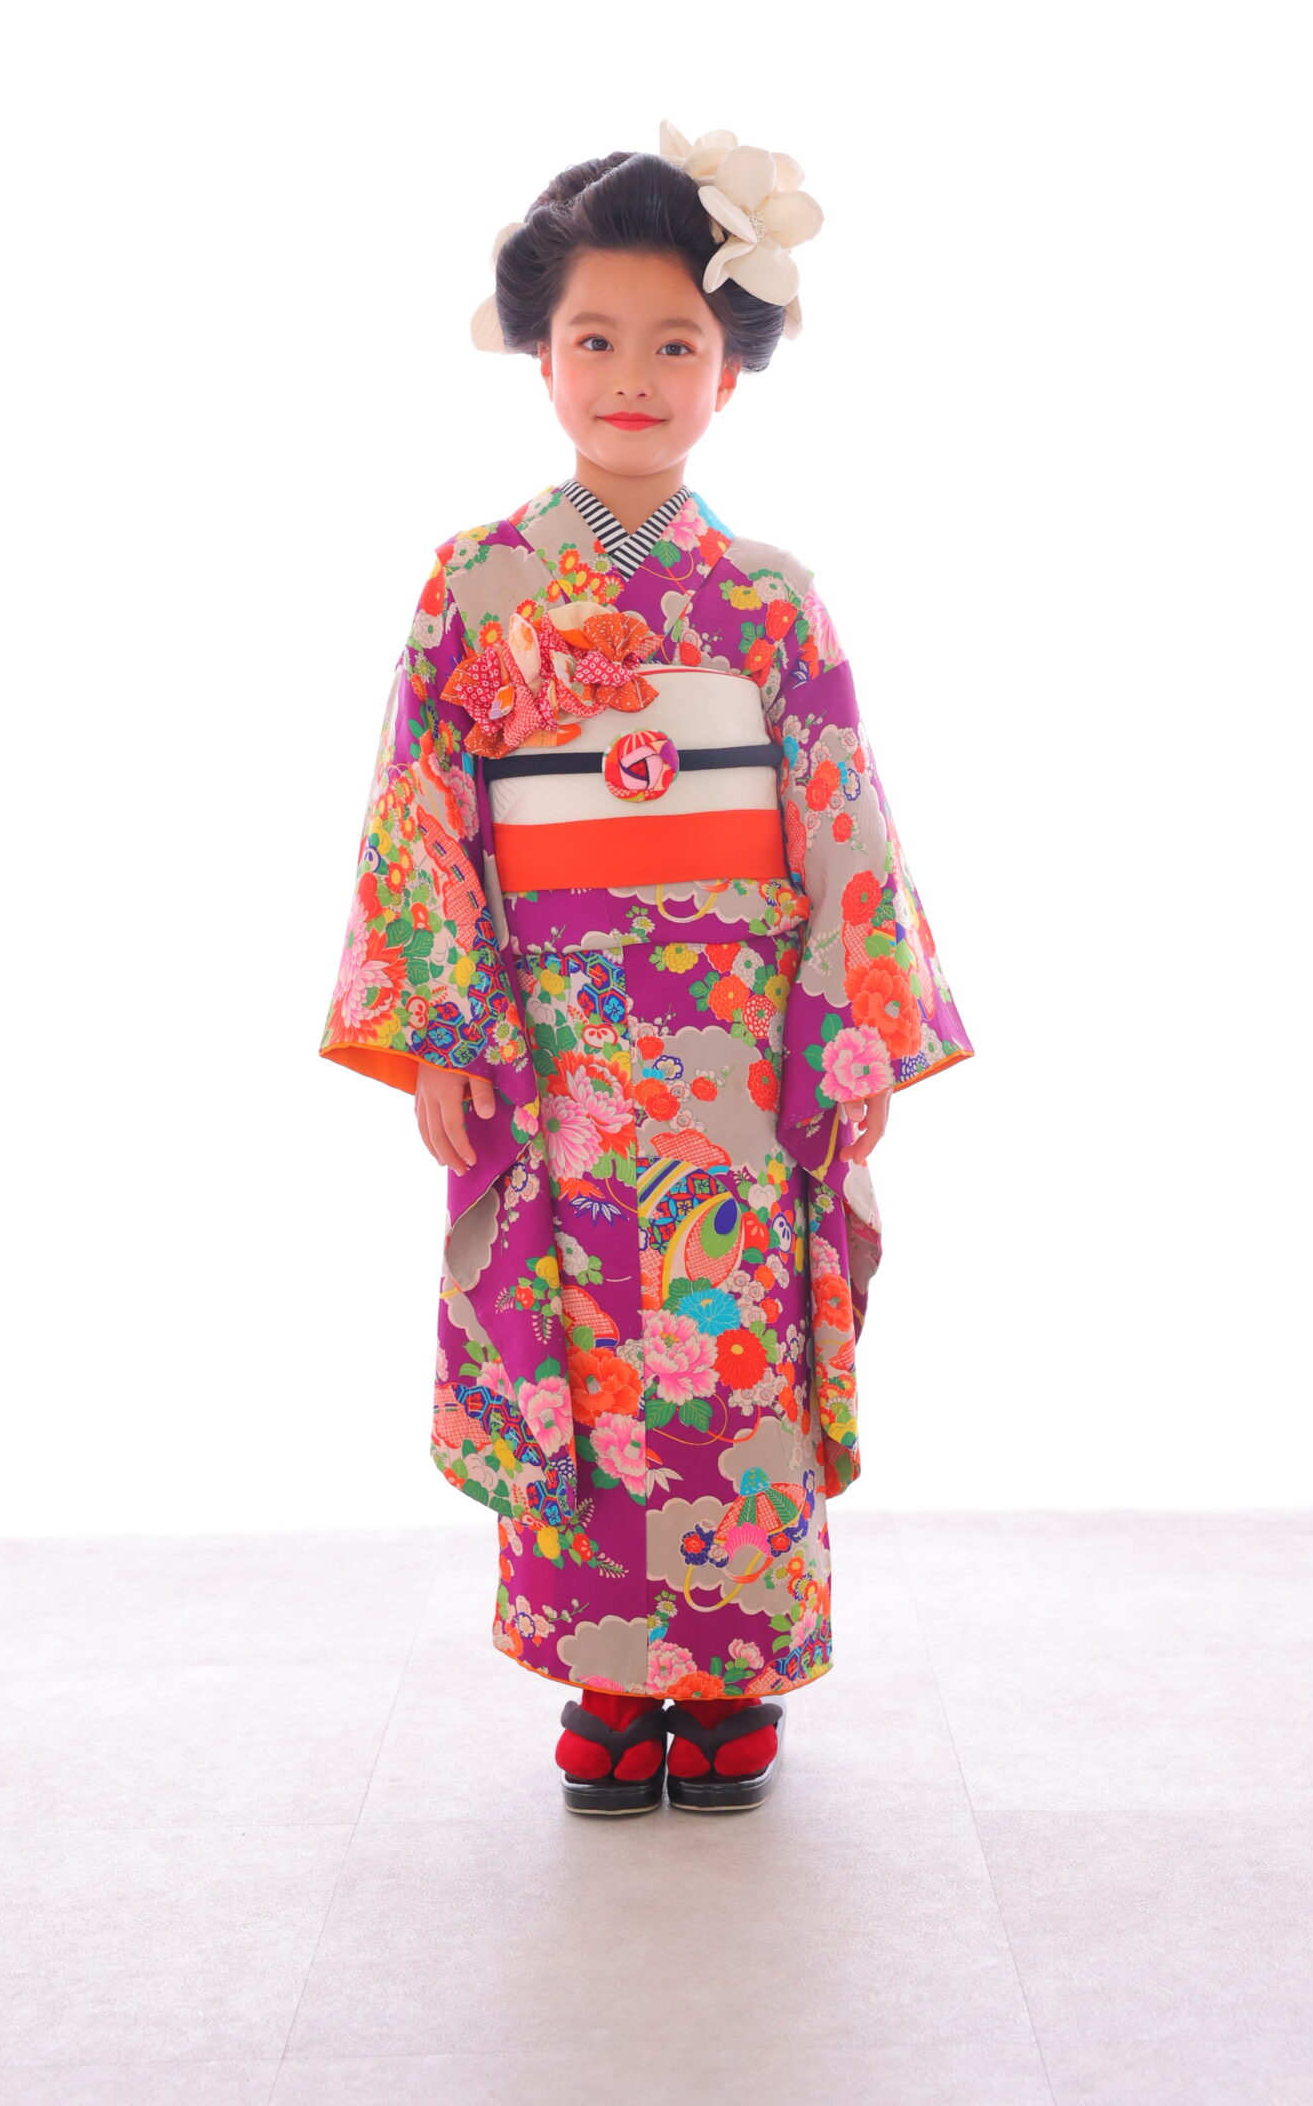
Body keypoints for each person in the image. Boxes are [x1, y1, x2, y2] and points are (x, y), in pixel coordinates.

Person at [320, 124, 974, 1815]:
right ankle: (610, 1676)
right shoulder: (479, 585)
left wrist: (849, 1043)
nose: (632, 377)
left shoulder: (768, 598)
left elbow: (841, 821)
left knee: (728, 1345)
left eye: (674, 343)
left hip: (738, 1055)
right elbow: (425, 814)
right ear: (539, 358)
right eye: (595, 339)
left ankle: (732, 1675)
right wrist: (446, 1032)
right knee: (580, 1351)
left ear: (728, 375)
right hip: (551, 1046)